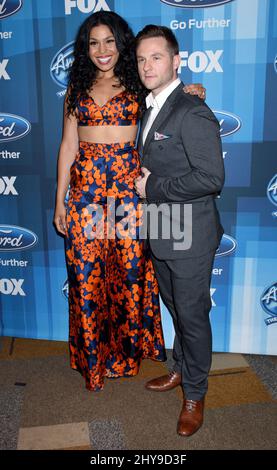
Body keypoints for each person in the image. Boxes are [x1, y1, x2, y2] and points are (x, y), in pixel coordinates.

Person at [53, 11, 206, 392]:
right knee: (87, 280)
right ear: (85, 48)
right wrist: (60, 200)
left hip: (130, 196)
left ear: (121, 43)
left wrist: (193, 90)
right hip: (86, 197)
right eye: (93, 42)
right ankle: (94, 361)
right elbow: (68, 144)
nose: (102, 50)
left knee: (129, 277)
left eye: (109, 41)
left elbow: (170, 104)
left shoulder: (140, 85)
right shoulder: (76, 87)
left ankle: (125, 356)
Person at [135, 25, 224, 436]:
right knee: (175, 309)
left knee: (192, 317)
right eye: (141, 58)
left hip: (191, 232)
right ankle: (180, 368)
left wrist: (154, 186)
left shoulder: (192, 111)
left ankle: (195, 392)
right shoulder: (149, 105)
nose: (147, 65)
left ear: (175, 61)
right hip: (162, 228)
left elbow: (211, 177)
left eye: (156, 57)